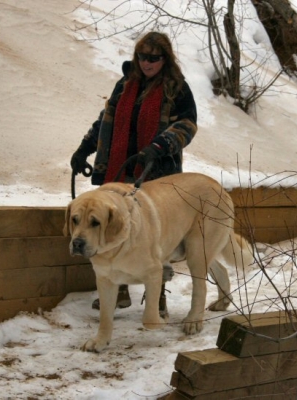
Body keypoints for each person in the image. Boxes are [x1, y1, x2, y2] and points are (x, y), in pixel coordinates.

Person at [70, 31, 198, 315]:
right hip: (116, 172)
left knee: (154, 236)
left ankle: (158, 297)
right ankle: (119, 293)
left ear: (165, 59)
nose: (147, 63)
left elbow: (187, 125)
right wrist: (83, 150)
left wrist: (159, 146)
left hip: (154, 174)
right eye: (142, 56)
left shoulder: (176, 88)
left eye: (154, 58)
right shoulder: (126, 84)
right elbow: (106, 120)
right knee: (115, 234)